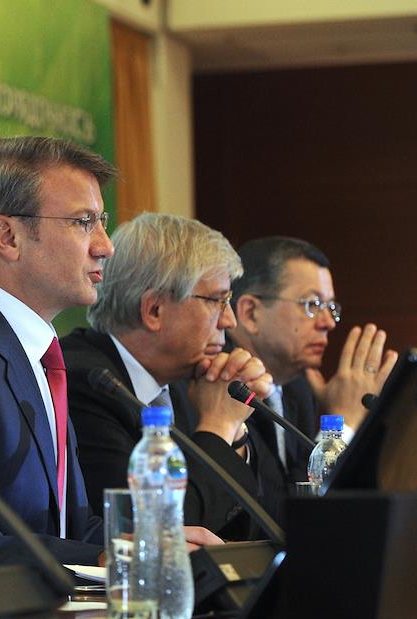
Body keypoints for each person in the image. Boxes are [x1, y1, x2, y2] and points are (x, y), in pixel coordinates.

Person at [0, 136, 221, 571]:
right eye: (83, 222)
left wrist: (145, 544)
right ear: (8, 236)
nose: (105, 245)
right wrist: (106, 557)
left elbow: (68, 528)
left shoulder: (39, 353)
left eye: (101, 221)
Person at [62, 213, 277, 540]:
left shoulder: (190, 383)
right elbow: (154, 533)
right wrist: (218, 426)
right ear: (154, 310)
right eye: (217, 301)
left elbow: (256, 529)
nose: (229, 321)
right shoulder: (86, 383)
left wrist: (234, 433)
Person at [229, 236, 398, 487]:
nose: (328, 322)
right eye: (313, 304)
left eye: (331, 307)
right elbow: (278, 506)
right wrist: (342, 423)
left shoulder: (298, 389)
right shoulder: (222, 384)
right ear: (250, 313)